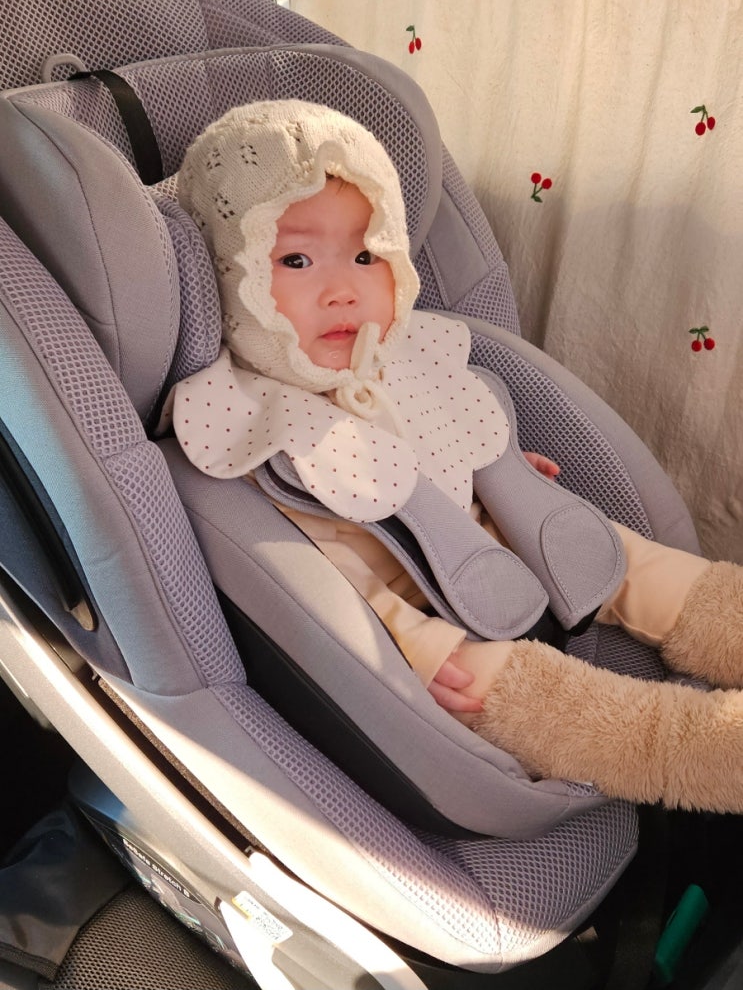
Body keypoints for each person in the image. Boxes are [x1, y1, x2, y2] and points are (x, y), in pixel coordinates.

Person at [165, 99, 743, 814]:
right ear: (233, 273)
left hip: (493, 538)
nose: (343, 289)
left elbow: (452, 439)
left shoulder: (411, 357)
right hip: (406, 602)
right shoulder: (246, 424)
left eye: (366, 255)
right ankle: (679, 745)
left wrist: (506, 474)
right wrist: (416, 644)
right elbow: (320, 580)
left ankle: (723, 615)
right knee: (495, 684)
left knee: (618, 552)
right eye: (296, 260)